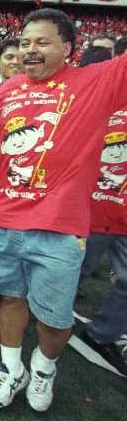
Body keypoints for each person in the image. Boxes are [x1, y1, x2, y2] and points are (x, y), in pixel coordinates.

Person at [0, 8, 127, 413]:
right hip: (3, 218)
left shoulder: (96, 81)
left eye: (43, 42)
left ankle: (43, 367)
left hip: (60, 227)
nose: (30, 51)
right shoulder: (8, 89)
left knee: (55, 318)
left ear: (68, 48)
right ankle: (10, 368)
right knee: (9, 299)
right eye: (25, 43)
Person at [74, 46, 127, 377]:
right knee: (71, 274)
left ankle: (102, 333)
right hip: (90, 211)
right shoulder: (96, 99)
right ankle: (50, 326)